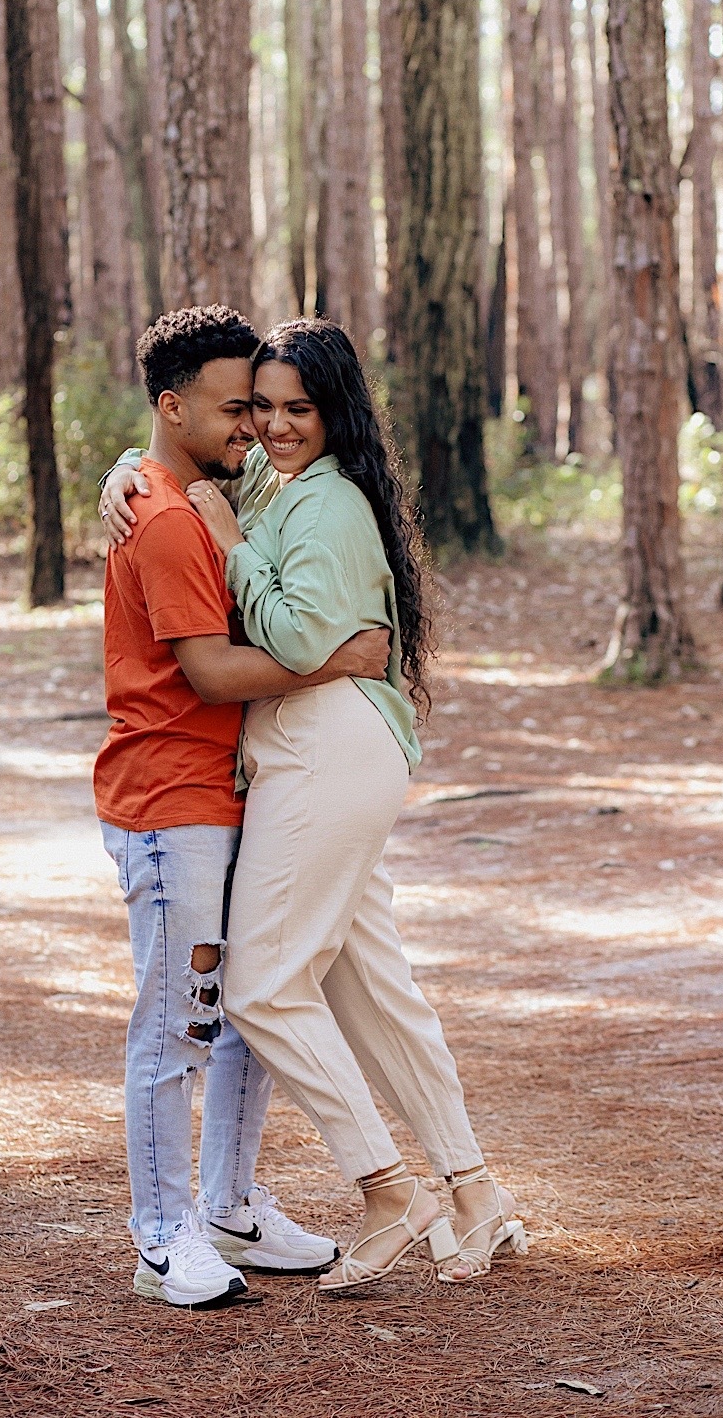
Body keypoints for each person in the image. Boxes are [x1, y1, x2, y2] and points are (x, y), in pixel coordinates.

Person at [101, 318, 527, 1291]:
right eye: (258, 406)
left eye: (297, 408)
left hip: (324, 748)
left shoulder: (323, 502)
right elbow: (178, 457)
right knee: (367, 983)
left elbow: (292, 638)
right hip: (311, 750)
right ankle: (472, 1189)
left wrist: (229, 546)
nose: (272, 425)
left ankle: (386, 1189)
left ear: (336, 413)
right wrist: (125, 469)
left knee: (259, 988)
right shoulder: (267, 481)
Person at [94, 306, 394, 1309]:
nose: (254, 429)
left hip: (225, 793)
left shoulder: (195, 494)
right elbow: (213, 672)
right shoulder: (167, 519)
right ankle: (160, 1235)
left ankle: (226, 1205)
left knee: (240, 1013)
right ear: (172, 407)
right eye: (235, 410)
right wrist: (338, 658)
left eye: (261, 407)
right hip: (169, 798)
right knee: (176, 1024)